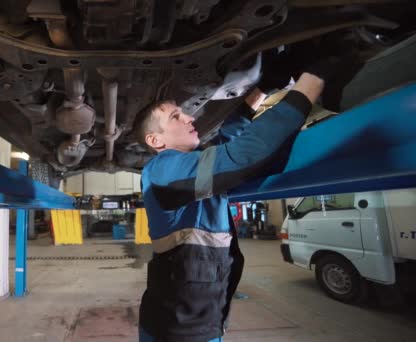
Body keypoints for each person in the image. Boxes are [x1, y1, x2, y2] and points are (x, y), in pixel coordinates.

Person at [133, 51, 349, 341]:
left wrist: (263, 88)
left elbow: (227, 141)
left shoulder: (188, 171)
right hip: (177, 329)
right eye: (176, 116)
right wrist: (314, 78)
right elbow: (241, 155)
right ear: (155, 141)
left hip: (197, 321)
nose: (189, 116)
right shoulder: (161, 170)